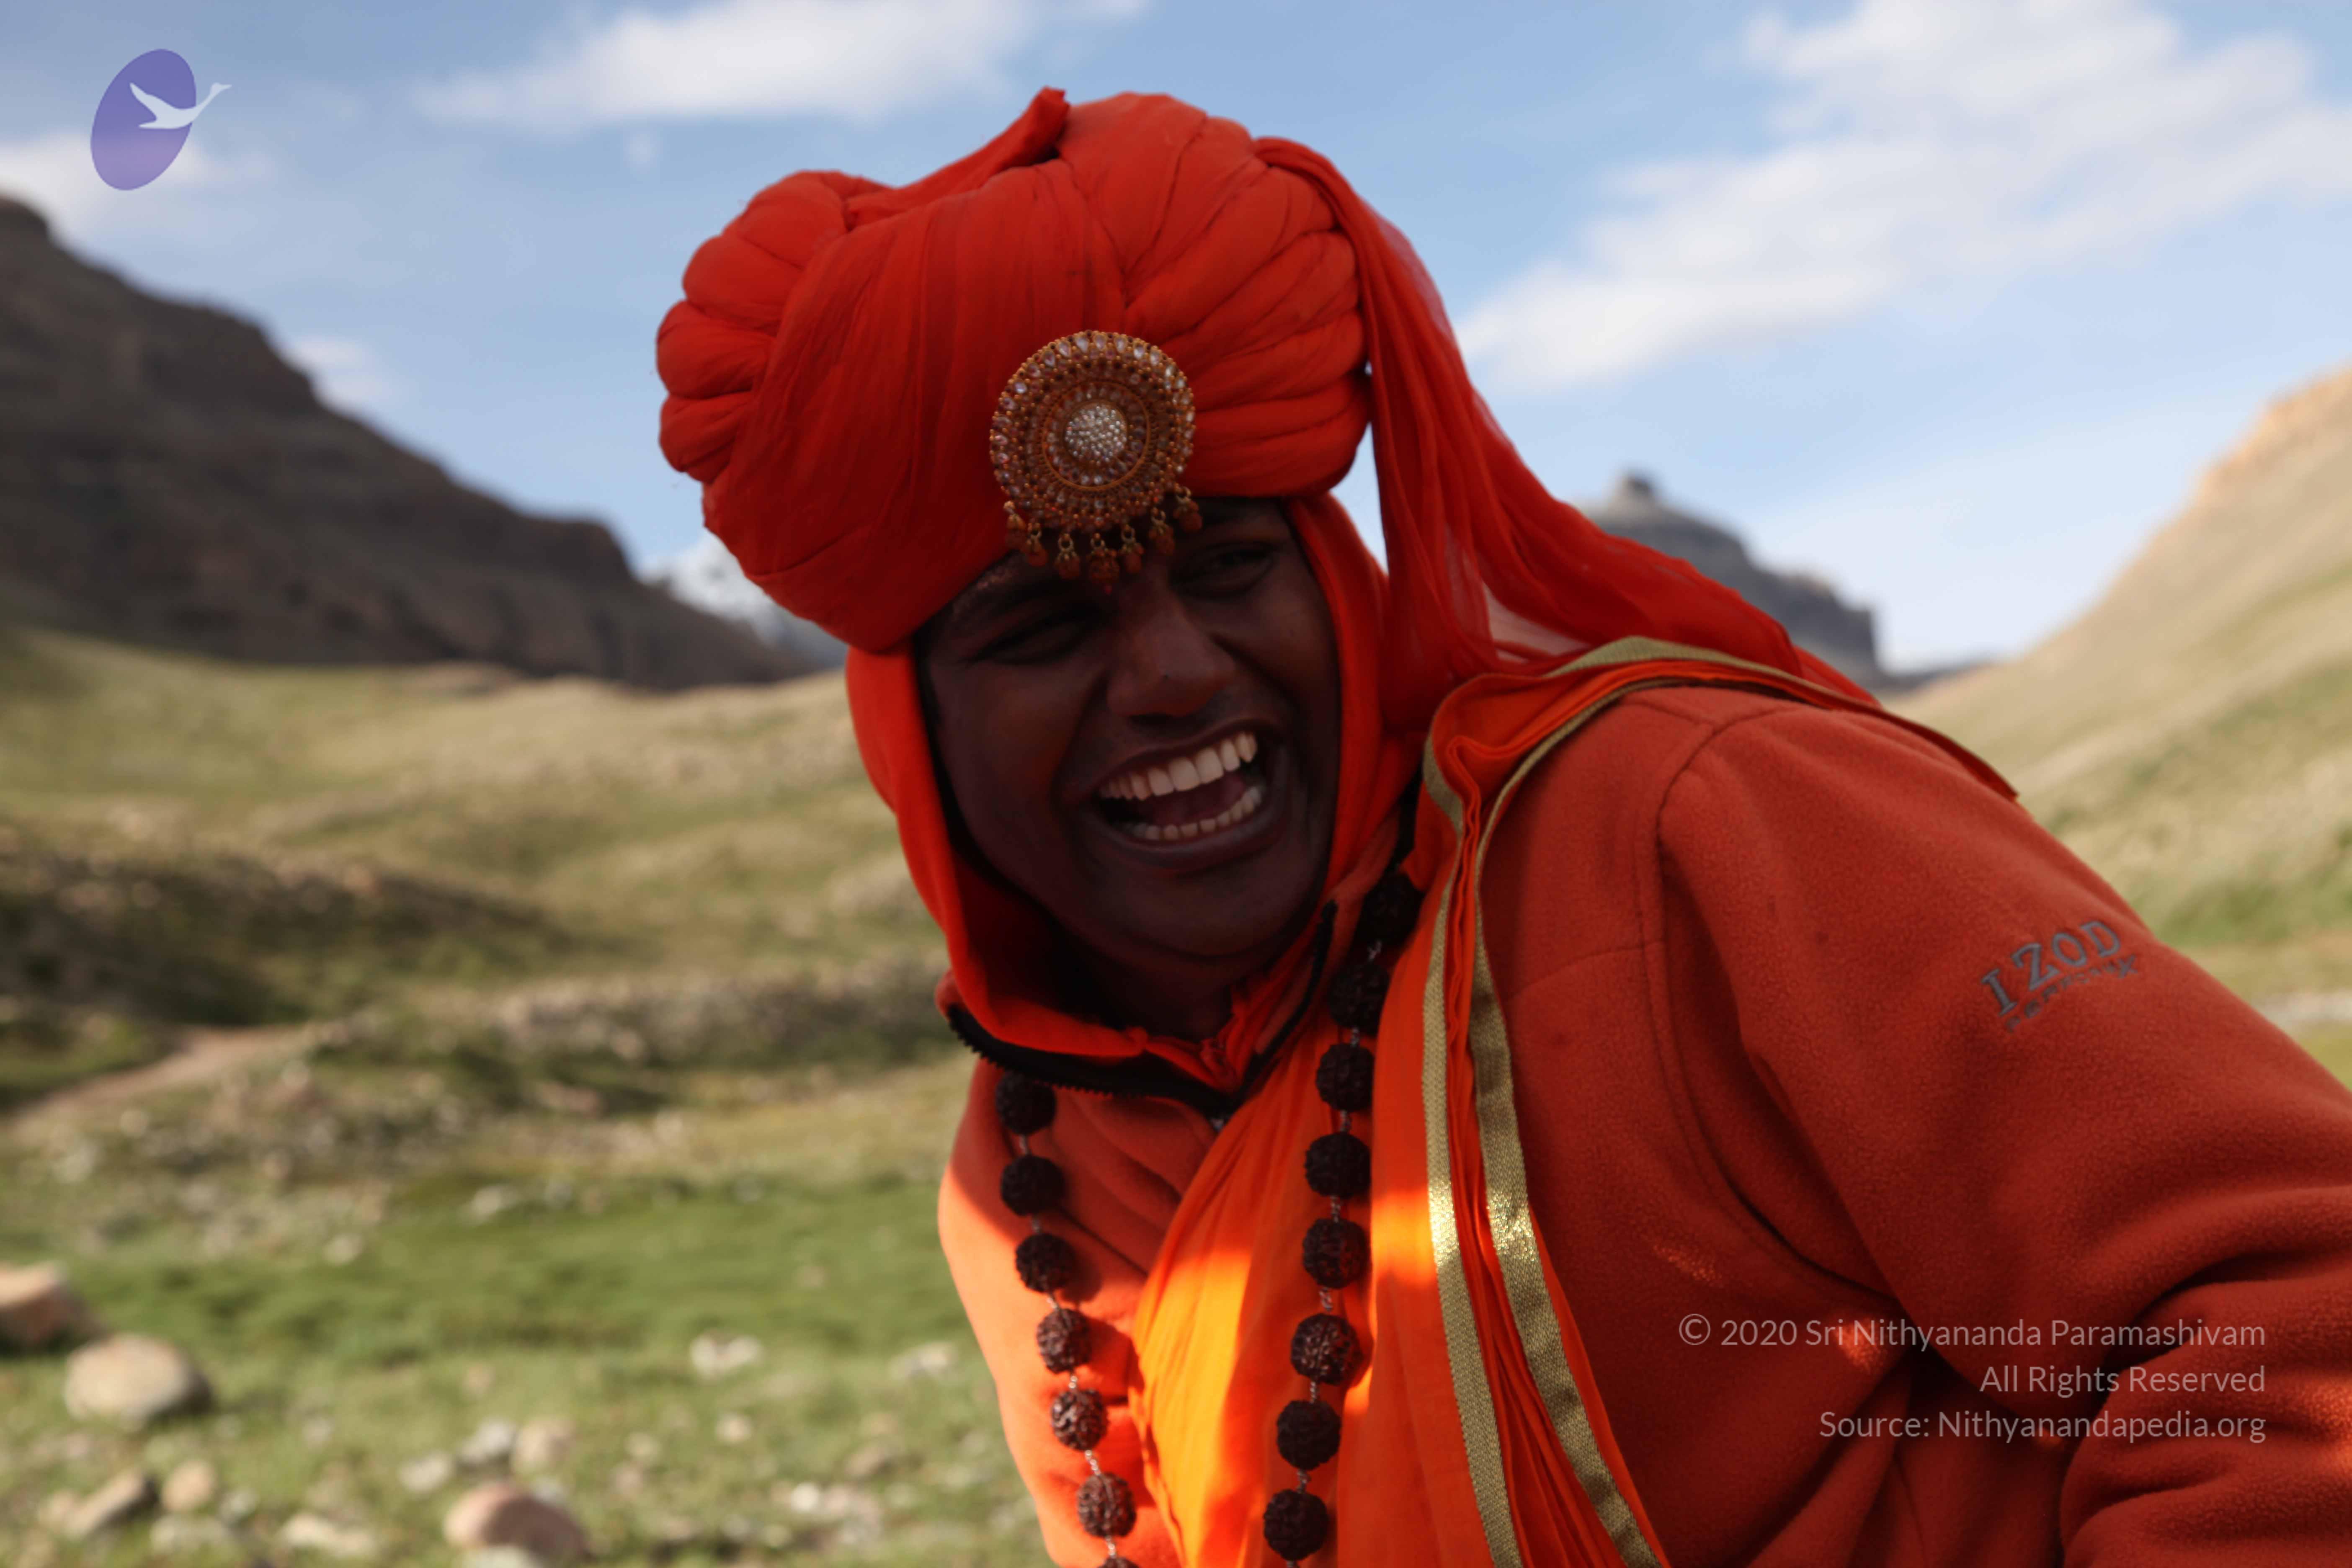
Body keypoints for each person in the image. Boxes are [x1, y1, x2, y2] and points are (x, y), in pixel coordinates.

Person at [656, 88, 2352, 1567]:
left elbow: (2284, 1322)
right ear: (916, 734)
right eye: (1043, 628)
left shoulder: (1698, 826)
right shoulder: (1023, 1160)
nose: (1175, 673)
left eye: (1233, 565)